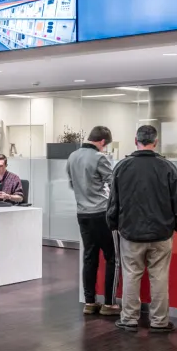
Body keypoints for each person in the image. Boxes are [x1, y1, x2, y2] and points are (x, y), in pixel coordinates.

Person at [107, 125, 177, 333]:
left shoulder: (122, 167)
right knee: (159, 277)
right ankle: (159, 322)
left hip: (131, 232)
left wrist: (113, 224)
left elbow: (113, 201)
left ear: (135, 140)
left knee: (131, 274)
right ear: (156, 142)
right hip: (161, 232)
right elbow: (176, 200)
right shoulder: (168, 167)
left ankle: (129, 319)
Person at [66, 126, 119, 316]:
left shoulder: (72, 156)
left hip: (82, 213)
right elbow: (113, 182)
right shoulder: (99, 157)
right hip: (100, 213)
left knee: (89, 257)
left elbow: (72, 183)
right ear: (103, 142)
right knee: (112, 257)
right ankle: (109, 304)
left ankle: (89, 302)